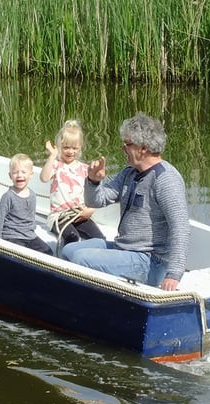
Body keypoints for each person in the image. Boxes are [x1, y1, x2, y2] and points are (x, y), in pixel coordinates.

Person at [61, 112, 190, 291]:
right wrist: (93, 181)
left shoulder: (166, 179)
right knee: (68, 250)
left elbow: (180, 227)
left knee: (80, 259)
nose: (123, 149)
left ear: (143, 148)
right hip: (125, 248)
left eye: (127, 144)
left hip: (150, 260)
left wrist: (174, 274)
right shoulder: (129, 172)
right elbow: (97, 201)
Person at [40, 120, 105, 246]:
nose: (70, 151)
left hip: (79, 214)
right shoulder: (55, 165)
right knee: (72, 236)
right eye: (66, 147)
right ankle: (65, 261)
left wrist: (90, 210)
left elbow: (95, 193)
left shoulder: (86, 169)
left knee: (99, 238)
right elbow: (44, 178)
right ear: (59, 147)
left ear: (80, 148)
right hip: (59, 216)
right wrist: (52, 156)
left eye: (74, 148)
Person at [0, 153, 53, 255]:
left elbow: (30, 218)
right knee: (20, 255)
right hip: (12, 236)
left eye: (23, 172)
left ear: (31, 175)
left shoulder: (33, 195)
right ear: (10, 176)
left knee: (48, 252)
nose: (19, 175)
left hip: (29, 236)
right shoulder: (8, 196)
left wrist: (31, 232)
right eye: (15, 172)